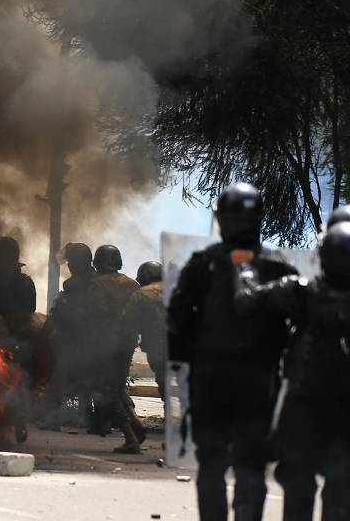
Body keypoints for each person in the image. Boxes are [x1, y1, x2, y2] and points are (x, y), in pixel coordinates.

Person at [168, 183, 297, 521]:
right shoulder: (278, 267)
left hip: (211, 376)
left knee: (212, 462)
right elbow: (298, 325)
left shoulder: (202, 264)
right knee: (250, 465)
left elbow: (177, 320)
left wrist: (186, 360)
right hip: (259, 378)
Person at [233, 222, 350, 521]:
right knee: (341, 489)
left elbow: (247, 300)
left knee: (298, 484)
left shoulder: (300, 290)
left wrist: (245, 270)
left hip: (303, 402)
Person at [0, 236, 37, 444]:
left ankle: (6, 420)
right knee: (13, 380)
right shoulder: (25, 282)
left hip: (3, 339)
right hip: (13, 339)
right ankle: (11, 420)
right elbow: (30, 311)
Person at [90, 245, 144, 452]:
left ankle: (130, 438)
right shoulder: (133, 284)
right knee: (118, 387)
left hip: (106, 344)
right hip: (127, 342)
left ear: (98, 262)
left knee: (107, 391)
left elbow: (96, 315)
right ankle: (136, 424)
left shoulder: (97, 284)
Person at [46, 242, 98, 428]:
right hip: (93, 339)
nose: (68, 266)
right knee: (87, 378)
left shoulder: (74, 284)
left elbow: (66, 313)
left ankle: (53, 418)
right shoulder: (97, 280)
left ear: (76, 263)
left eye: (70, 262)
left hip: (76, 338)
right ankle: (89, 417)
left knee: (62, 375)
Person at [122, 262, 165, 400]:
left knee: (164, 384)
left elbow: (128, 324)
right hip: (184, 349)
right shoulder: (176, 289)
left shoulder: (141, 295)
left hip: (157, 349)